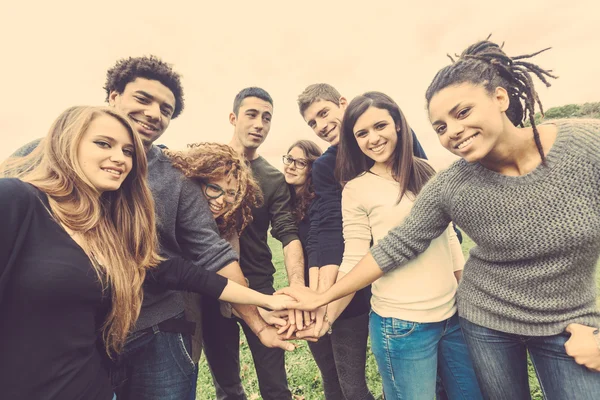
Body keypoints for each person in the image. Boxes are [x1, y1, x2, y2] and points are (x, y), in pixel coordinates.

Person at [279, 39, 600, 399]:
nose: (453, 132)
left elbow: (449, 242)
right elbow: (390, 246)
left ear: (499, 98)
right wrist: (321, 304)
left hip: (523, 321)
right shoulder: (425, 183)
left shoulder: (583, 145)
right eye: (441, 127)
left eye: (462, 113)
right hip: (461, 322)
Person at [10, 56, 293, 400]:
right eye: (143, 99)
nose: (154, 114)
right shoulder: (27, 176)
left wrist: (260, 319)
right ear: (113, 96)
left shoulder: (171, 179)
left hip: (157, 329)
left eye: (166, 109)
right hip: (69, 337)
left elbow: (199, 260)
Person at [332, 91, 481, 399]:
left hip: (452, 317)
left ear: (398, 125)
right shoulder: (357, 189)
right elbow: (354, 258)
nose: (373, 138)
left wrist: (464, 293)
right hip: (401, 327)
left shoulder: (428, 171)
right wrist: (325, 312)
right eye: (362, 133)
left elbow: (449, 237)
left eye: (380, 126)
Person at [202, 87, 305, 400]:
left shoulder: (273, 179)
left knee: (275, 386)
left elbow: (287, 234)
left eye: (267, 118)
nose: (260, 124)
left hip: (259, 286)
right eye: (252, 114)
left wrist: (297, 285)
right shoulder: (207, 166)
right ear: (233, 118)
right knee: (227, 386)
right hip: (211, 285)